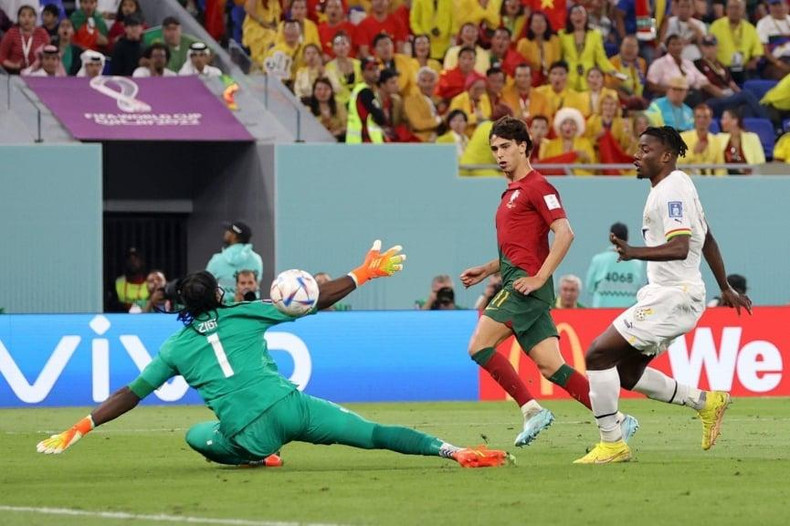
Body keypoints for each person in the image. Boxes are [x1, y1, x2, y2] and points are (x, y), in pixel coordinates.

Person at [37, 244, 511, 469]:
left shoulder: (174, 348)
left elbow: (131, 393)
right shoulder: (243, 312)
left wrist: (81, 426)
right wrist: (364, 273)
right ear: (217, 295)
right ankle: (454, 451)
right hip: (293, 407)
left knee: (196, 435)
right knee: (372, 434)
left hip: (249, 434)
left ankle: (262, 458)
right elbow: (315, 300)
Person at [574, 126, 753, 464]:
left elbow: (681, 246)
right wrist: (724, 287)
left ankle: (612, 443)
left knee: (598, 355)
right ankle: (706, 402)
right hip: (672, 294)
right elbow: (707, 238)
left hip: (674, 295)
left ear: (667, 155)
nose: (636, 156)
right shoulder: (680, 183)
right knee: (626, 373)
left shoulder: (670, 191)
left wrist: (634, 252)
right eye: (638, 149)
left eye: (645, 150)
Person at [461, 116, 637, 447]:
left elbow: (565, 233)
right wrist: (487, 269)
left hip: (524, 288)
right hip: (521, 283)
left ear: (523, 146)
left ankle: (531, 410)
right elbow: (522, 249)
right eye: (495, 149)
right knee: (552, 366)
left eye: (505, 147)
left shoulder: (538, 186)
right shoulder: (511, 192)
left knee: (478, 346)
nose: (499, 155)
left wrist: (539, 277)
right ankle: (616, 419)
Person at [558, 4, 621, 92]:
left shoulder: (595, 35)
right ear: (570, 17)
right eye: (575, 13)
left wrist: (614, 72)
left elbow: (601, 59)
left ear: (586, 17)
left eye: (581, 13)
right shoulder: (562, 35)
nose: (578, 16)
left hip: (589, 79)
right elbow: (558, 58)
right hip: (569, 80)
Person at [584, 222, 646, 308]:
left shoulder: (598, 260)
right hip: (627, 311)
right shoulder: (637, 263)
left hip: (601, 311)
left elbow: (589, 287)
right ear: (627, 237)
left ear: (611, 238)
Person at [206, 221, 264, 305]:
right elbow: (257, 285)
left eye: (228, 231)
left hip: (224, 308)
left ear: (234, 236)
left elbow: (206, 285)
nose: (225, 233)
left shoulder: (217, 260)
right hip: (252, 308)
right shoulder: (257, 259)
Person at [708, 0, 763, 84]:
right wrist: (717, 64)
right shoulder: (716, 26)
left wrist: (753, 62)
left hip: (744, 68)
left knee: (753, 83)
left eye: (737, 8)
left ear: (743, 10)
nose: (734, 11)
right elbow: (709, 49)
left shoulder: (750, 28)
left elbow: (758, 52)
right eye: (731, 8)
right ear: (726, 10)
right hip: (723, 68)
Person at [542, 107, 597, 175]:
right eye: (564, 123)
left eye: (572, 123)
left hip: (579, 179)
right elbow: (546, 168)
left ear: (577, 127)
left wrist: (586, 159)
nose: (568, 127)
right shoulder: (551, 145)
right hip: (556, 179)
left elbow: (593, 169)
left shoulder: (585, 143)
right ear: (560, 127)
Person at [346, 56, 387, 143]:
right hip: (364, 141)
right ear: (362, 73)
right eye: (370, 69)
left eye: (377, 68)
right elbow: (381, 118)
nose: (375, 72)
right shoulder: (364, 92)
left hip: (358, 141)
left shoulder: (360, 90)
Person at [0, 4, 50, 74]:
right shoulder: (11, 33)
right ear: (18, 18)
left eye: (30, 16)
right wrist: (14, 66)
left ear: (35, 19)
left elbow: (49, 54)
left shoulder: (42, 32)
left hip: (37, 73)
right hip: (14, 73)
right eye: (23, 16)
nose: (27, 19)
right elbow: (2, 57)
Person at [516, 11, 561, 87]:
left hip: (551, 81)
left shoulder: (554, 40)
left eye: (541, 21)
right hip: (531, 82)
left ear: (546, 24)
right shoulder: (523, 43)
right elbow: (521, 66)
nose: (539, 24)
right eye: (536, 21)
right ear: (530, 25)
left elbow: (557, 63)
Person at [679, 103, 725, 176]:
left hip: (709, 180)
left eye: (705, 117)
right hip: (688, 179)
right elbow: (677, 162)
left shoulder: (716, 140)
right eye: (698, 117)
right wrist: (693, 152)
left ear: (710, 119)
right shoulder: (683, 138)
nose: (702, 120)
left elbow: (721, 168)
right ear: (694, 119)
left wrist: (719, 181)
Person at [718, 107, 765, 174]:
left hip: (748, 177)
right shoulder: (719, 138)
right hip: (725, 177)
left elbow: (760, 162)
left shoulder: (752, 138)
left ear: (735, 121)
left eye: (724, 118)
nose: (721, 121)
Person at [404, 66, 442, 142]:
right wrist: (439, 120)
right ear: (417, 83)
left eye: (431, 80)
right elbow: (417, 124)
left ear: (436, 83)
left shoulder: (440, 100)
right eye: (424, 81)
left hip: (441, 139)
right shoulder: (411, 100)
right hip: (420, 141)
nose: (427, 84)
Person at [305, 76, 347, 142]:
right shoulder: (308, 110)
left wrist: (338, 132)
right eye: (319, 89)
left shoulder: (339, 106)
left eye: (326, 89)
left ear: (331, 91)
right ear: (314, 91)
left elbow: (347, 126)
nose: (322, 93)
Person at [756, 0, 790, 80]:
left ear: (786, 6)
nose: (777, 8)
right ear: (769, 7)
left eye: (780, 5)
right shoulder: (763, 23)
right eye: (774, 5)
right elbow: (764, 50)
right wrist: (779, 63)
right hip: (774, 62)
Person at [242, 0, 281, 65]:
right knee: (271, 38)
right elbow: (249, 10)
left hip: (269, 28)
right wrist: (265, 24)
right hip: (255, 27)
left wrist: (276, 29)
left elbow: (275, 19)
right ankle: (262, 62)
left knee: (279, 37)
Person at [112, 247, 148, 312]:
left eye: (136, 259)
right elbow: (112, 304)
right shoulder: (117, 283)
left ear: (142, 262)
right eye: (130, 259)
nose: (132, 262)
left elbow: (153, 303)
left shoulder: (149, 283)